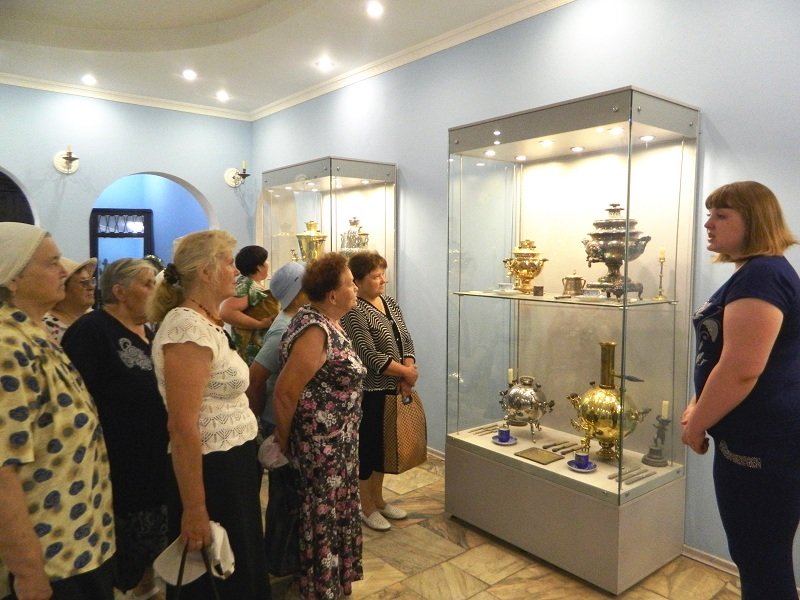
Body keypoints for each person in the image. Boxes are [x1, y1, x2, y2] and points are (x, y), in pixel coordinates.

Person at [681, 181, 800, 600]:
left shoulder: (763, 275)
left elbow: (741, 370)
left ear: (754, 220)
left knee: (762, 563)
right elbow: (719, 357)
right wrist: (697, 403)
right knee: (756, 557)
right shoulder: (756, 272)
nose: (709, 224)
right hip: (755, 441)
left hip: (763, 447)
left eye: (721, 215)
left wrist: (696, 424)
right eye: (709, 214)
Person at [148, 230, 270, 600]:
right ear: (205, 272)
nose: (236, 271)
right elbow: (183, 425)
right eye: (229, 263)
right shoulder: (186, 328)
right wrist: (195, 508)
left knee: (242, 561)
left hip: (232, 465)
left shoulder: (207, 321)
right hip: (212, 470)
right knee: (218, 576)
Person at [0, 222, 115, 599]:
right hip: (51, 557)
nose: (64, 271)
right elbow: (2, 471)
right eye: (51, 263)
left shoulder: (34, 334)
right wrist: (28, 570)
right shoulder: (7, 347)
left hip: (78, 542)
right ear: (12, 277)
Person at [62, 258, 168, 600]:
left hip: (154, 457)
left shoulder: (149, 330)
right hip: (119, 461)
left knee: (154, 538)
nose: (155, 291)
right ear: (120, 292)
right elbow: (76, 400)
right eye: (147, 284)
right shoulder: (92, 331)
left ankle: (147, 588)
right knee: (127, 545)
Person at [273, 253, 365, 599]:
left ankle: (332, 582)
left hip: (338, 444)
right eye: (350, 283)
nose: (355, 288)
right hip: (321, 447)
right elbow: (285, 392)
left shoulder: (328, 322)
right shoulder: (315, 329)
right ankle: (319, 586)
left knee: (333, 511)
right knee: (321, 516)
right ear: (332, 294)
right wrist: (284, 439)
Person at [341, 251, 418, 531]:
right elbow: (368, 354)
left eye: (382, 274)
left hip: (393, 386)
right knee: (368, 448)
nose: (382, 280)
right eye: (375, 276)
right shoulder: (354, 310)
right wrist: (405, 373)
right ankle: (365, 505)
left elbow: (405, 338)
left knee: (385, 447)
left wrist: (408, 368)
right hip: (370, 390)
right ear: (358, 281)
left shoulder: (389, 303)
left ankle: (379, 499)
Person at [246, 261, 307, 434]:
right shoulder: (284, 329)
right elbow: (256, 378)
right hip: (279, 423)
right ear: (298, 293)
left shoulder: (298, 320)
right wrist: (258, 422)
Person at [219, 245, 277, 364]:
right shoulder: (249, 286)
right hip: (249, 352)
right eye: (265, 261)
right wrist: (259, 324)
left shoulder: (246, 283)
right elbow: (226, 312)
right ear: (259, 267)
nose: (268, 264)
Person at [42, 256, 97, 345]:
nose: (91, 287)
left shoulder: (94, 317)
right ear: (62, 289)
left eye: (92, 281)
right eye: (84, 283)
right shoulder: (47, 328)